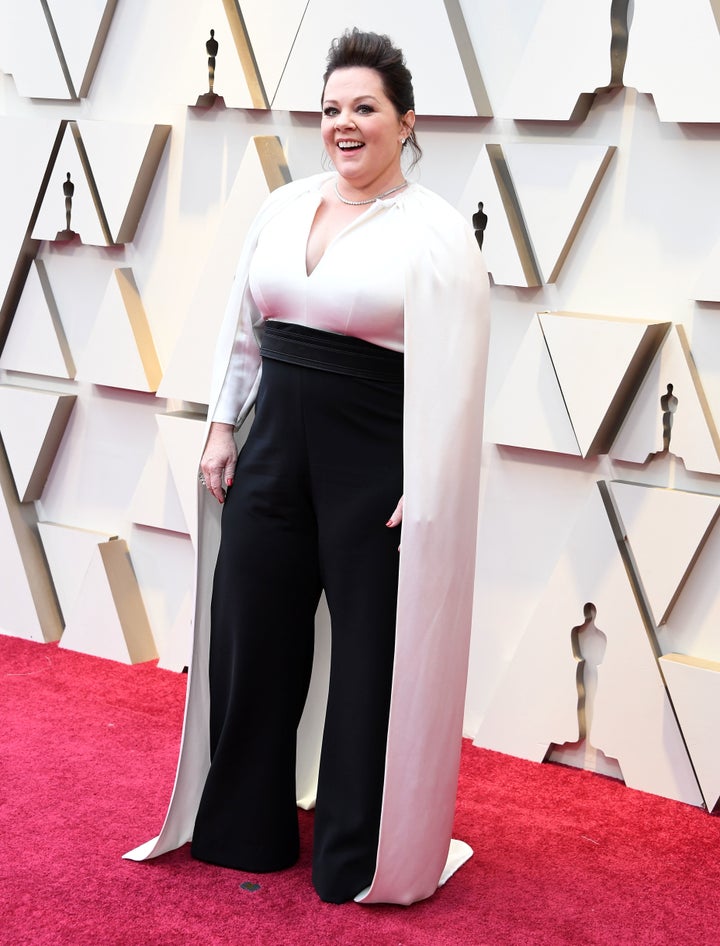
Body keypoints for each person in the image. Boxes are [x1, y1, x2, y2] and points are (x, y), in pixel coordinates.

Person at [125, 27, 490, 906]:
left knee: (372, 666)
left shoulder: (438, 234)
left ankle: (357, 857)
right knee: (254, 636)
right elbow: (243, 331)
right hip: (273, 452)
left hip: (376, 470)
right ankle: (243, 828)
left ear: (407, 122)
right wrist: (221, 429)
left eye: (364, 108)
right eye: (331, 109)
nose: (344, 124)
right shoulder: (283, 210)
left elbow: (463, 378)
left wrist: (429, 480)